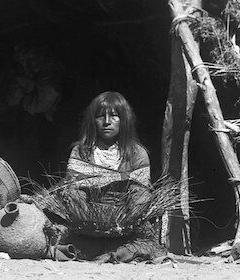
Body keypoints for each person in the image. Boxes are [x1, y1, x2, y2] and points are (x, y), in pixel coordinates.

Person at [61, 91, 164, 262]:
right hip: (87, 226)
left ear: (125, 121)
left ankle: (113, 253)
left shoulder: (136, 154)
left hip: (124, 229)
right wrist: (89, 219)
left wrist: (122, 222)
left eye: (114, 116)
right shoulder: (81, 152)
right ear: (92, 121)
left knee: (139, 247)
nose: (107, 122)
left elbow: (140, 196)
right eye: (100, 116)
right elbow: (73, 191)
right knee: (66, 244)